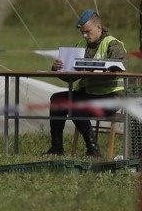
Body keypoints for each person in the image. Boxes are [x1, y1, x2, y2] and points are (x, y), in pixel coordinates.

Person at [44, 9, 126, 158]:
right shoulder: (81, 45)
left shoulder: (113, 45)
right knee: (57, 99)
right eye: (82, 32)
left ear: (99, 27)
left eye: (88, 32)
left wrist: (92, 69)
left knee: (76, 104)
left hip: (110, 98)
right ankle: (56, 148)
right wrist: (58, 68)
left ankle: (93, 149)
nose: (85, 36)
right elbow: (71, 78)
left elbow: (119, 68)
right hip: (87, 94)